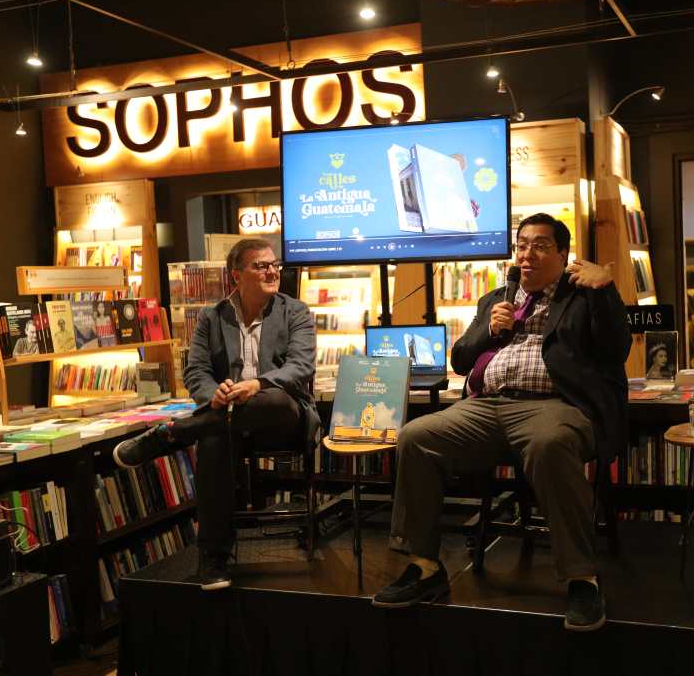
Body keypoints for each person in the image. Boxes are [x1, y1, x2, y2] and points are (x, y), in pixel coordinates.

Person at [373, 213, 631, 632]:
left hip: (554, 405)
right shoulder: (496, 298)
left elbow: (615, 350)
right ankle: (424, 565)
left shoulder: (584, 296)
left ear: (563, 254)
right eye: (522, 245)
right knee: (416, 436)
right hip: (487, 406)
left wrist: (605, 290)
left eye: (541, 246)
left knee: (550, 445)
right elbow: (460, 360)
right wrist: (489, 331)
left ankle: (581, 578)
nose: (527, 255)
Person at [112, 238, 318, 590]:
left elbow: (300, 367)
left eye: (275, 265)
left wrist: (257, 384)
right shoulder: (211, 317)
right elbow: (196, 372)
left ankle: (174, 433)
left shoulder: (295, 311)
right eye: (261, 266)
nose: (272, 272)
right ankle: (213, 558)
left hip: (283, 417)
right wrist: (215, 396)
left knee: (273, 401)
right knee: (213, 438)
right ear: (236, 275)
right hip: (227, 417)